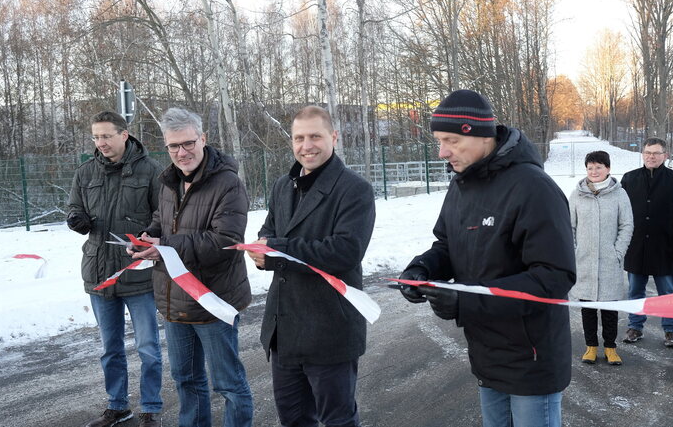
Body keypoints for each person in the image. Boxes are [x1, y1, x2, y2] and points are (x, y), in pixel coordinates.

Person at [398, 90, 575, 427]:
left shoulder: (533, 188)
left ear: (479, 133)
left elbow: (554, 277)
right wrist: (423, 267)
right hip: (486, 354)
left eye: (450, 140)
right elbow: (448, 245)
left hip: (531, 359)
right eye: (438, 140)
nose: (442, 152)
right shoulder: (462, 185)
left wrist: (464, 303)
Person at [246, 105, 375, 427]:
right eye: (299, 138)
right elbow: (269, 230)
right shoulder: (282, 186)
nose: (307, 146)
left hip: (329, 329)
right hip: (284, 331)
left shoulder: (354, 189)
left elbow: (346, 251)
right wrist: (262, 249)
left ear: (333, 137)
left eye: (315, 136)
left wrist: (275, 250)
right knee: (293, 420)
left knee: (338, 420)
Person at [131, 107, 254, 426]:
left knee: (228, 385)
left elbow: (226, 240)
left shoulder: (227, 183)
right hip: (175, 299)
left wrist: (166, 247)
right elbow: (163, 221)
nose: (181, 152)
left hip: (214, 300)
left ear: (204, 138)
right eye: (173, 146)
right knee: (186, 382)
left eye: (188, 143)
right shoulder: (168, 180)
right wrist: (149, 238)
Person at [67, 110, 164, 427]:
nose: (101, 142)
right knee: (111, 349)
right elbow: (75, 208)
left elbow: (163, 215)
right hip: (98, 272)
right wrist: (75, 220)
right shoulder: (85, 173)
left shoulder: (150, 171)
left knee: (148, 348)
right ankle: (118, 406)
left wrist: (148, 235)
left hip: (138, 272)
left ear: (124, 134)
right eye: (96, 136)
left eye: (106, 135)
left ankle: (151, 406)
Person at [569, 151, 633, 366]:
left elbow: (627, 225)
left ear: (608, 168)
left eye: (598, 167)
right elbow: (569, 226)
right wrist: (575, 250)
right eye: (590, 168)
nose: (594, 171)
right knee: (588, 309)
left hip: (609, 262)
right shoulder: (577, 195)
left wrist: (618, 251)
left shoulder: (619, 194)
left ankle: (610, 348)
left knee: (609, 310)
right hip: (584, 261)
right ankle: (591, 347)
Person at [620, 138, 673, 348]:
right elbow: (620, 214)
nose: (651, 157)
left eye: (656, 153)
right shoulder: (630, 179)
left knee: (667, 292)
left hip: (664, 246)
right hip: (635, 246)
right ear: (642, 154)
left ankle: (671, 330)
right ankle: (635, 326)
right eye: (648, 152)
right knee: (635, 291)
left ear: (665, 155)